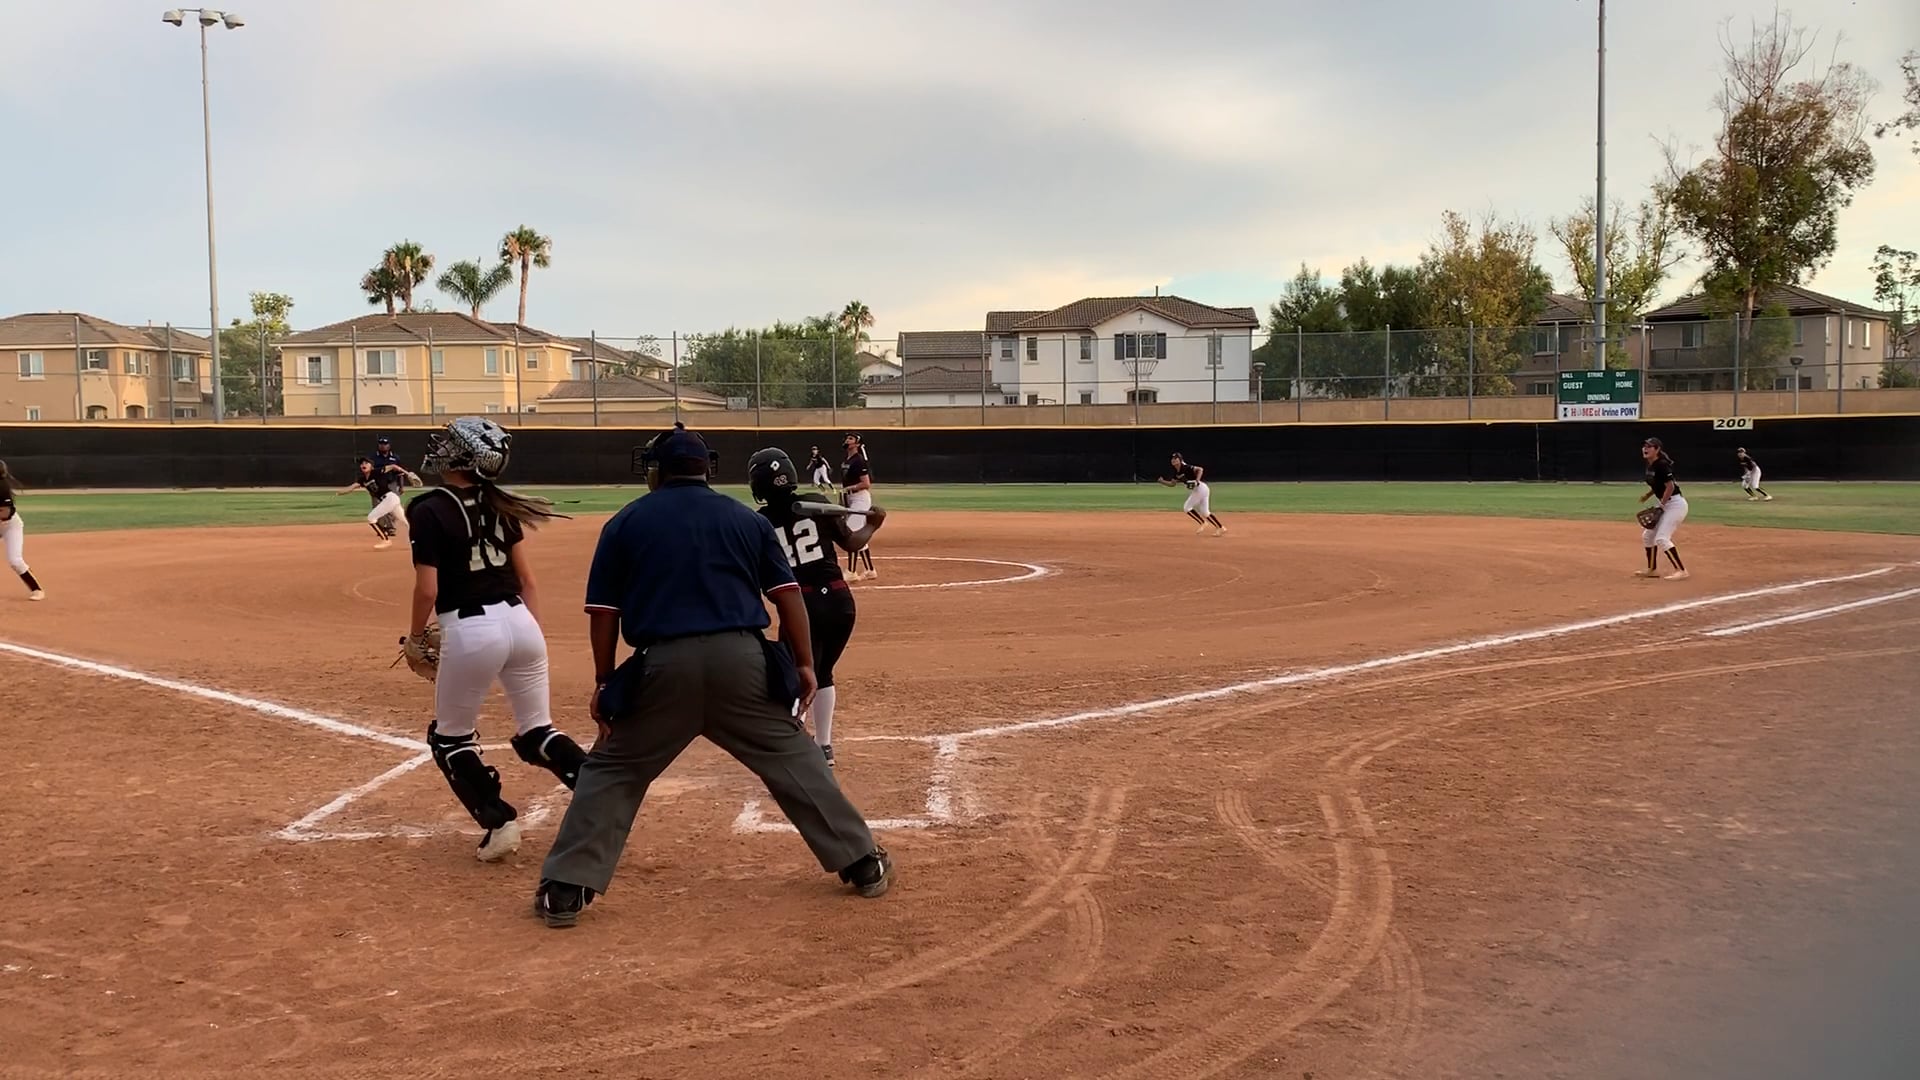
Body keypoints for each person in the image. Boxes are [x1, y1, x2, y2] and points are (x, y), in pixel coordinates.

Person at [533, 427, 893, 929]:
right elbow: (788, 596)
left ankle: (566, 889)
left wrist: (605, 680)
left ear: (657, 472)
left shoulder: (626, 522)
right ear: (707, 469)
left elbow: (604, 613)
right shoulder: (745, 519)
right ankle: (862, 862)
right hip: (743, 664)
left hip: (662, 668)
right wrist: (805, 665)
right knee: (794, 757)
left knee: (614, 769)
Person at [402, 417, 590, 862]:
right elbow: (527, 581)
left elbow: (427, 590)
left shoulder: (428, 508)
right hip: (521, 622)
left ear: (464, 457)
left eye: (450, 443)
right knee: (537, 731)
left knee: (450, 740)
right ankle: (603, 793)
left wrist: (415, 637)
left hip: (470, 629)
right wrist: (531, 635)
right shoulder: (499, 502)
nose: (441, 447)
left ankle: (499, 823)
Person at [748, 446, 888, 769]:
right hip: (840, 603)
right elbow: (852, 542)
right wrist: (874, 525)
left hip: (801, 608)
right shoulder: (816, 503)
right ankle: (823, 746)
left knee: (794, 677)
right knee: (821, 673)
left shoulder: (760, 522)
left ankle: (795, 747)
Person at [1637, 436, 1690, 580]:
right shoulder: (1650, 465)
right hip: (1665, 503)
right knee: (1648, 536)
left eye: (1649, 446)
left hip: (1675, 505)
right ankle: (1652, 570)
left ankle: (1681, 570)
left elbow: (1670, 486)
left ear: (1657, 449)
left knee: (1662, 538)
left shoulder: (1662, 465)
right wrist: (1647, 495)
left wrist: (1661, 505)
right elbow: (1658, 485)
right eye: (1644, 446)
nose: (1645, 449)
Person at [0, 461, 46, 601]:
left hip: (9, 526)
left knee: (15, 561)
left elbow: (5, 514)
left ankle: (37, 590)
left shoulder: (2, 488)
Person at [337, 456, 404, 549]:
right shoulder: (362, 480)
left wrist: (404, 471)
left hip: (390, 498)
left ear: (371, 466)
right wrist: (339, 492)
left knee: (371, 518)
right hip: (388, 500)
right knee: (405, 522)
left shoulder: (376, 472)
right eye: (362, 464)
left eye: (366, 463)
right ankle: (418, 539)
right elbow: (351, 487)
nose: (363, 465)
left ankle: (386, 540)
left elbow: (392, 466)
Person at [1159, 452, 1225, 536]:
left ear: (1180, 460)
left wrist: (1197, 481)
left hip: (1200, 489)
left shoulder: (1186, 467)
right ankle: (1220, 528)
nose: (1173, 460)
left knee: (1187, 507)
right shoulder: (1176, 472)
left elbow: (1200, 469)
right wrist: (1162, 481)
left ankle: (1203, 522)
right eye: (1172, 458)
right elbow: (1172, 484)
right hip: (1200, 490)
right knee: (1205, 512)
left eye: (1176, 458)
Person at [840, 432, 878, 580]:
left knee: (852, 533)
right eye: (847, 438)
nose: (847, 440)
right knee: (857, 534)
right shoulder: (847, 460)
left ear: (857, 444)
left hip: (860, 498)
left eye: (851, 439)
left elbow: (866, 483)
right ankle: (870, 570)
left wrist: (850, 488)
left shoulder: (859, 460)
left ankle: (851, 572)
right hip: (850, 498)